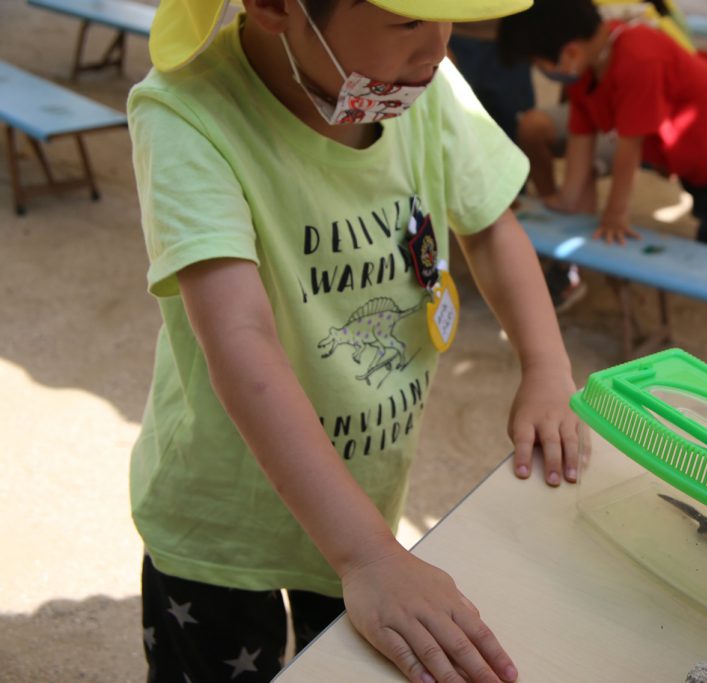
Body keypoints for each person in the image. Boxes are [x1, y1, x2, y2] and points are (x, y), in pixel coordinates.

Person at [128, 0, 581, 681]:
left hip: (361, 505)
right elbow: (239, 336)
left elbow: (490, 225)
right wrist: (367, 555)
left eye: (446, 17)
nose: (437, 48)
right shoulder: (187, 112)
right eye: (409, 22)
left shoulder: (419, 84)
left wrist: (545, 365)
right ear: (275, 5)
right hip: (221, 526)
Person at [499, 0, 707, 250]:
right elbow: (582, 134)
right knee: (702, 194)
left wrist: (615, 214)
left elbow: (629, 148)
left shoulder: (638, 58)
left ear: (570, 52)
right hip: (689, 143)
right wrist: (567, 200)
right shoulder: (586, 67)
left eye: (539, 64)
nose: (540, 70)